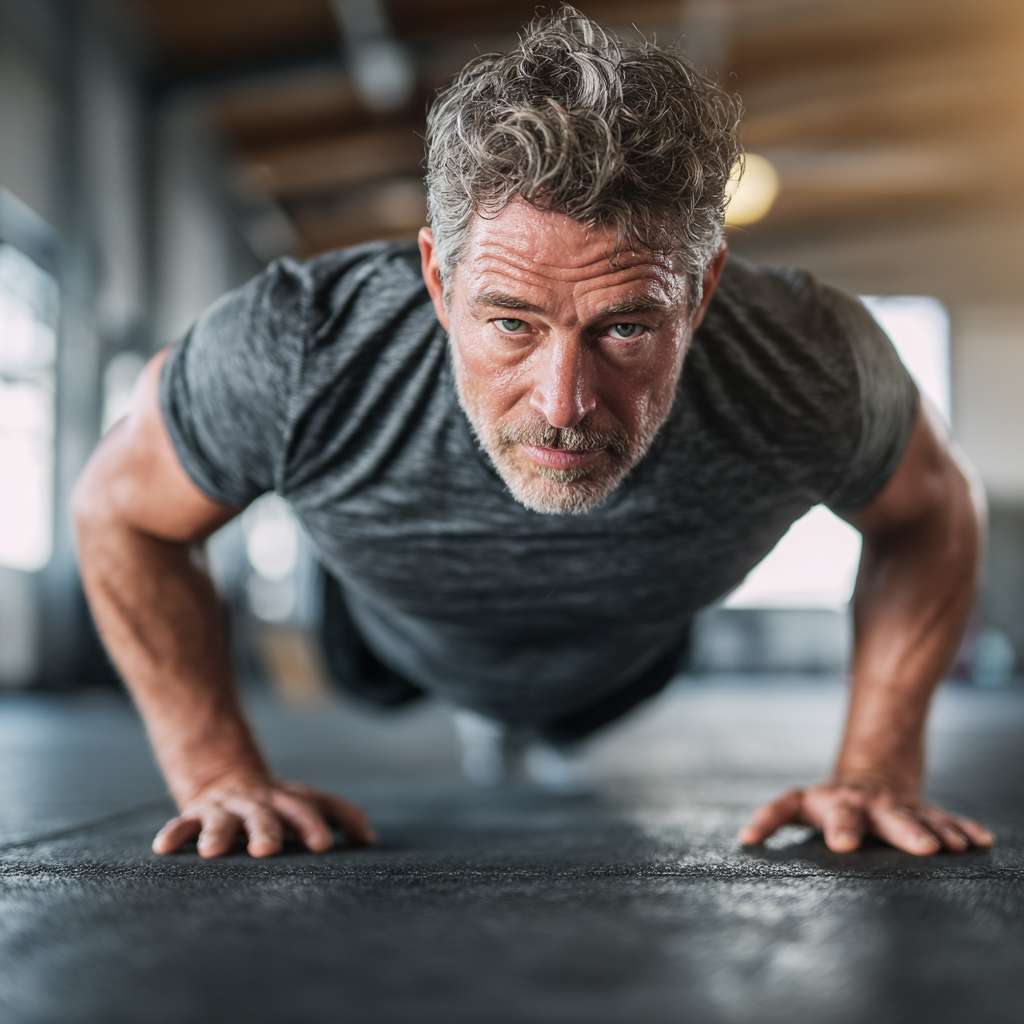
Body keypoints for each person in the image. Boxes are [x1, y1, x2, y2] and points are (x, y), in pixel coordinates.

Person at [73, 8, 993, 861]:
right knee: (385, 664)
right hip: (385, 643)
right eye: (511, 323)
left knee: (568, 721)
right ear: (439, 282)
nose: (564, 403)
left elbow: (935, 508)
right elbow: (120, 511)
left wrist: (877, 769)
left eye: (625, 328)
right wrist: (216, 773)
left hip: (622, 664)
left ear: (703, 291)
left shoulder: (811, 359)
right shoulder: (300, 347)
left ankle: (526, 727)